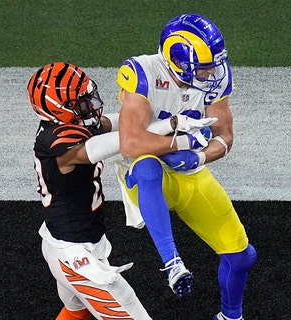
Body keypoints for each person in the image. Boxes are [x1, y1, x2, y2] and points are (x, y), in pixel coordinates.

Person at [115, 14, 258, 320]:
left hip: (191, 175)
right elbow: (130, 143)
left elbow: (225, 136)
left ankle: (231, 317)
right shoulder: (141, 72)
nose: (212, 71)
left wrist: (201, 157)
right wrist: (181, 144)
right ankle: (172, 264)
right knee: (147, 167)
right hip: (147, 179)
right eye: (204, 66)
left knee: (242, 257)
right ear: (176, 61)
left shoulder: (215, 77)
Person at [28, 62, 152, 320]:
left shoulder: (70, 124)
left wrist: (156, 117)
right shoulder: (57, 141)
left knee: (76, 313)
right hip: (74, 256)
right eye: (82, 102)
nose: (91, 106)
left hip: (72, 242)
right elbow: (123, 143)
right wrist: (170, 129)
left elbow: (118, 125)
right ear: (59, 108)